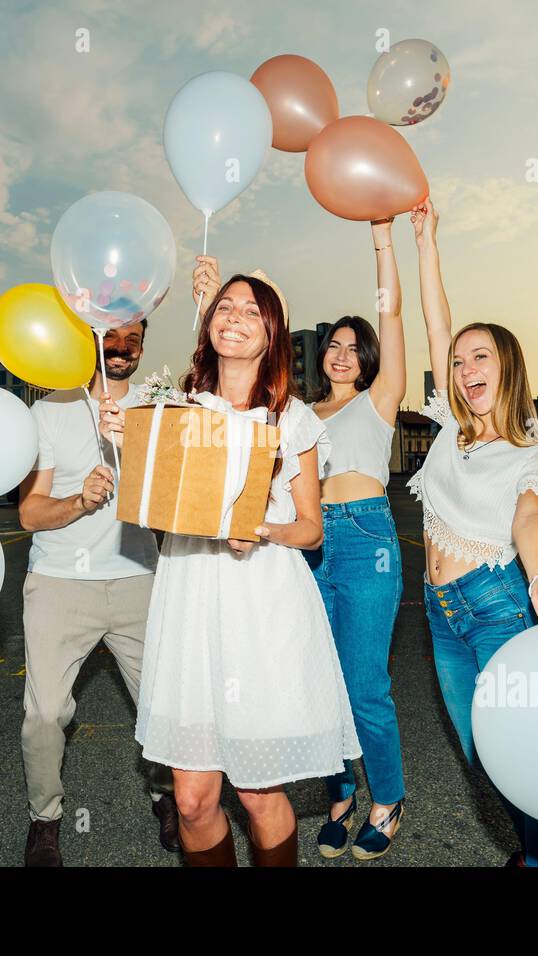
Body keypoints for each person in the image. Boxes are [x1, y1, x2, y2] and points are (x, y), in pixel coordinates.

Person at [100, 270, 360, 866]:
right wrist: (125, 436)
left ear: (272, 334)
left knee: (257, 790)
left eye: (251, 311)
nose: (235, 317)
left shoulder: (292, 419)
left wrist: (260, 529)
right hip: (190, 596)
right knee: (192, 800)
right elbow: (152, 498)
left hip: (262, 603)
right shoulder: (175, 407)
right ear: (208, 321)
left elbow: (310, 528)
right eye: (225, 307)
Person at [192, 219, 408, 862]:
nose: (342, 354)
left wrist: (384, 243)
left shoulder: (382, 399)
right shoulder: (301, 411)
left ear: (368, 358)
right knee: (321, 681)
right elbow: (223, 395)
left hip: (366, 538)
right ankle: (339, 793)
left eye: (353, 346)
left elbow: (392, 314)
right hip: (309, 548)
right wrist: (208, 307)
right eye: (333, 346)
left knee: (366, 684)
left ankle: (388, 798)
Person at [409, 198, 538, 867]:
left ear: (506, 365)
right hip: (441, 613)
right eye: (456, 362)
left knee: (524, 755)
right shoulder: (451, 430)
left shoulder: (532, 452)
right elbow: (434, 322)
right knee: (485, 754)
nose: (464, 369)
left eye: (479, 357)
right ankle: (537, 849)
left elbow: (529, 516)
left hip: (497, 607)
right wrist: (426, 242)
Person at [15, 322, 177, 867]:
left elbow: (182, 500)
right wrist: (80, 502)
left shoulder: (163, 407)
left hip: (139, 577)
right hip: (60, 582)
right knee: (44, 714)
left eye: (134, 336)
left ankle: (167, 797)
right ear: (88, 336)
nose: (123, 346)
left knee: (160, 704)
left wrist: (133, 450)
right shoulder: (50, 410)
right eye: (113, 333)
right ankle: (46, 819)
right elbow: (30, 513)